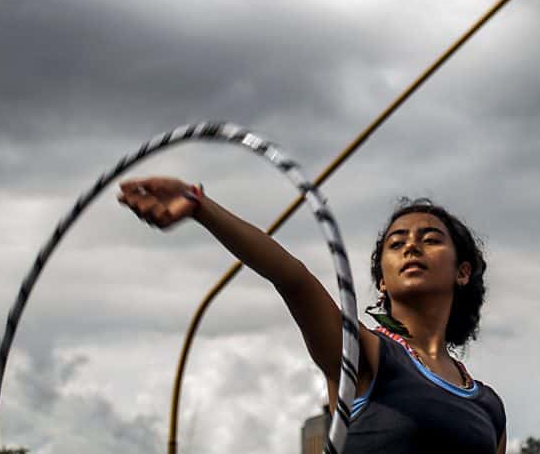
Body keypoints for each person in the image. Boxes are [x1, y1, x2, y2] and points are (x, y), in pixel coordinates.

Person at [117, 177, 507, 453]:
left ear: (463, 271)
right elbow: (293, 279)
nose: (411, 247)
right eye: (396, 242)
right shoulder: (367, 355)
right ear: (382, 282)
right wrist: (201, 207)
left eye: (431, 239)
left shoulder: (488, 405)